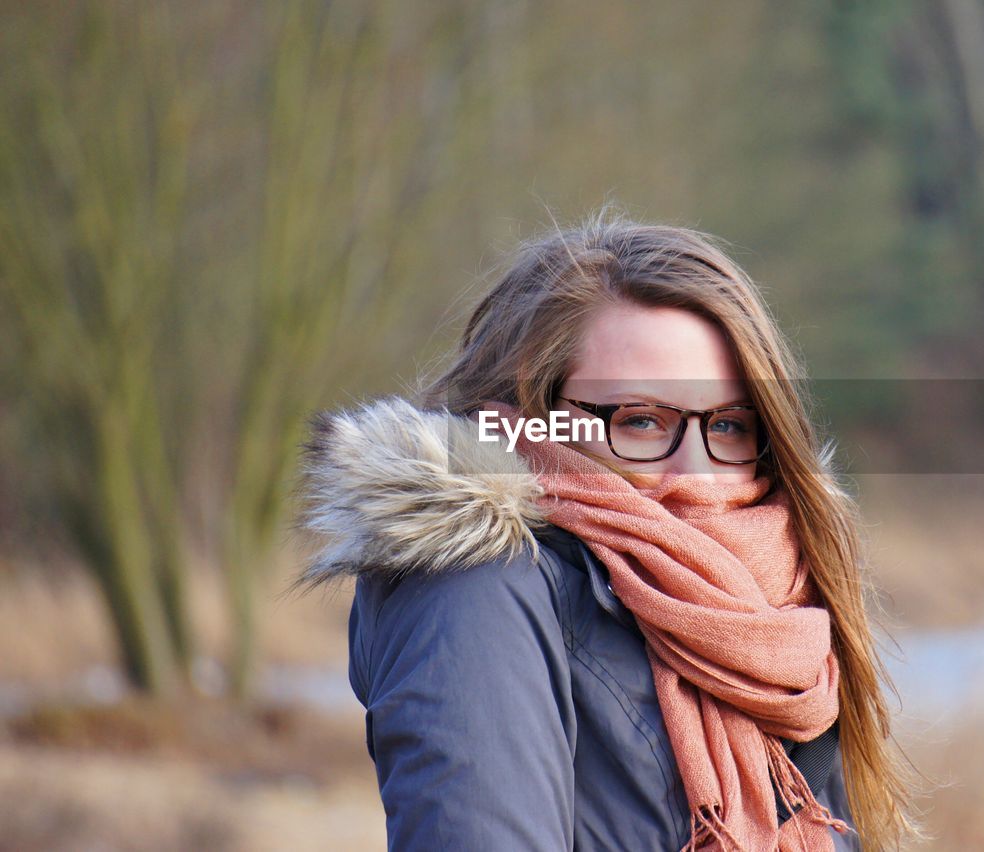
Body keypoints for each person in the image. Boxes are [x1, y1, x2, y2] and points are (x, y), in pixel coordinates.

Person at [292, 205, 919, 851]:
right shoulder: (479, 592)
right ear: (530, 416)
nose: (698, 473)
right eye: (641, 420)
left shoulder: (782, 615)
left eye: (729, 424)